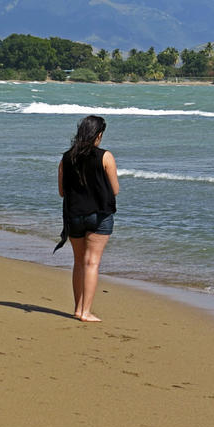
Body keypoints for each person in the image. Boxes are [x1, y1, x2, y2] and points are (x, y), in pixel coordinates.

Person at [57, 115, 119, 322]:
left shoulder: (66, 157)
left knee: (79, 262)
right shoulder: (105, 156)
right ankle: (86, 312)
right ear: (98, 134)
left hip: (74, 215)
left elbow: (61, 192)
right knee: (92, 263)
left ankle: (77, 308)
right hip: (99, 215)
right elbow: (115, 190)